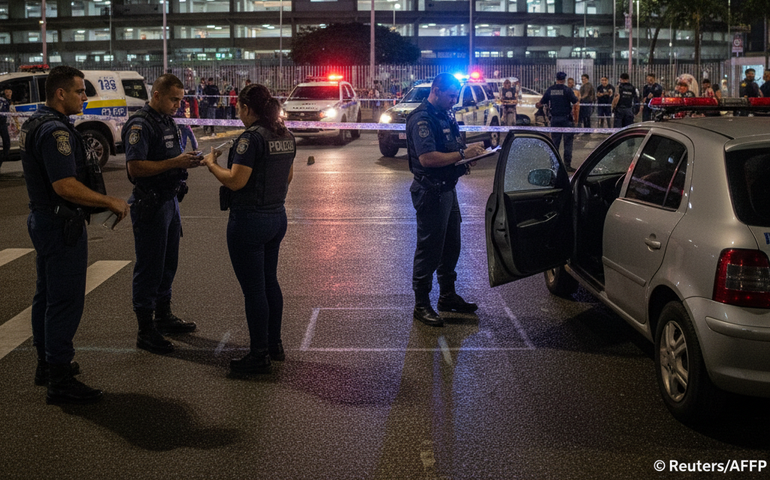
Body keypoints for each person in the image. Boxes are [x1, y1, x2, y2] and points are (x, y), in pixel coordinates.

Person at [20, 66, 130, 404]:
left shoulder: (36, 123)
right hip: (60, 225)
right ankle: (60, 378)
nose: (85, 97)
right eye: (81, 91)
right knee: (65, 301)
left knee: (47, 295)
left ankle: (47, 364)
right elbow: (64, 185)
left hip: (44, 219)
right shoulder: (57, 133)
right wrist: (108, 200)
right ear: (60, 94)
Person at [200, 84, 296, 374]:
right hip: (276, 216)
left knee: (254, 290)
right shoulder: (286, 134)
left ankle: (258, 354)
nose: (238, 113)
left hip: (250, 220)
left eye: (240, 108)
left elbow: (235, 181)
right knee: (269, 282)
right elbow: (288, 177)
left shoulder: (250, 139)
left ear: (246, 108)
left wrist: (210, 164)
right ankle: (274, 344)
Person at [122, 73, 203, 355]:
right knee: (149, 267)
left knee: (169, 263)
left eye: (180, 100)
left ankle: (163, 315)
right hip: (151, 203)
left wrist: (186, 163)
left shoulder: (167, 121)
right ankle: (146, 330)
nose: (177, 105)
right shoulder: (141, 124)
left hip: (170, 201)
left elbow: (170, 159)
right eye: (173, 99)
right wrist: (175, 162)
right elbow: (136, 168)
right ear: (156, 94)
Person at [405, 73, 486, 327]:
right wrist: (462, 153)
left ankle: (447, 296)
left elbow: (450, 150)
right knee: (429, 249)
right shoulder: (422, 118)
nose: (454, 100)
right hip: (431, 192)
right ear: (436, 90)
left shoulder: (445, 115)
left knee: (451, 246)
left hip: (448, 190)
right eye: (450, 95)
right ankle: (421, 304)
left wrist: (465, 159)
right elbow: (427, 158)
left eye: (455, 96)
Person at [537, 72, 578, 172]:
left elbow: (541, 103)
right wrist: (576, 119)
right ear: (564, 80)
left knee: (555, 143)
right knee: (568, 143)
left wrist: (538, 105)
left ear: (556, 79)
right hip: (566, 119)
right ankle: (567, 165)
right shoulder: (567, 90)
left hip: (555, 119)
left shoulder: (551, 89)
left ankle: (554, 165)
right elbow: (575, 102)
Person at [0, 87, 11, 166]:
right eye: (7, 92)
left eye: (10, 92)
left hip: (3, 123)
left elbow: (8, 112)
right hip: (2, 123)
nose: (8, 93)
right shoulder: (4, 101)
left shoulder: (5, 101)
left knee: (6, 144)